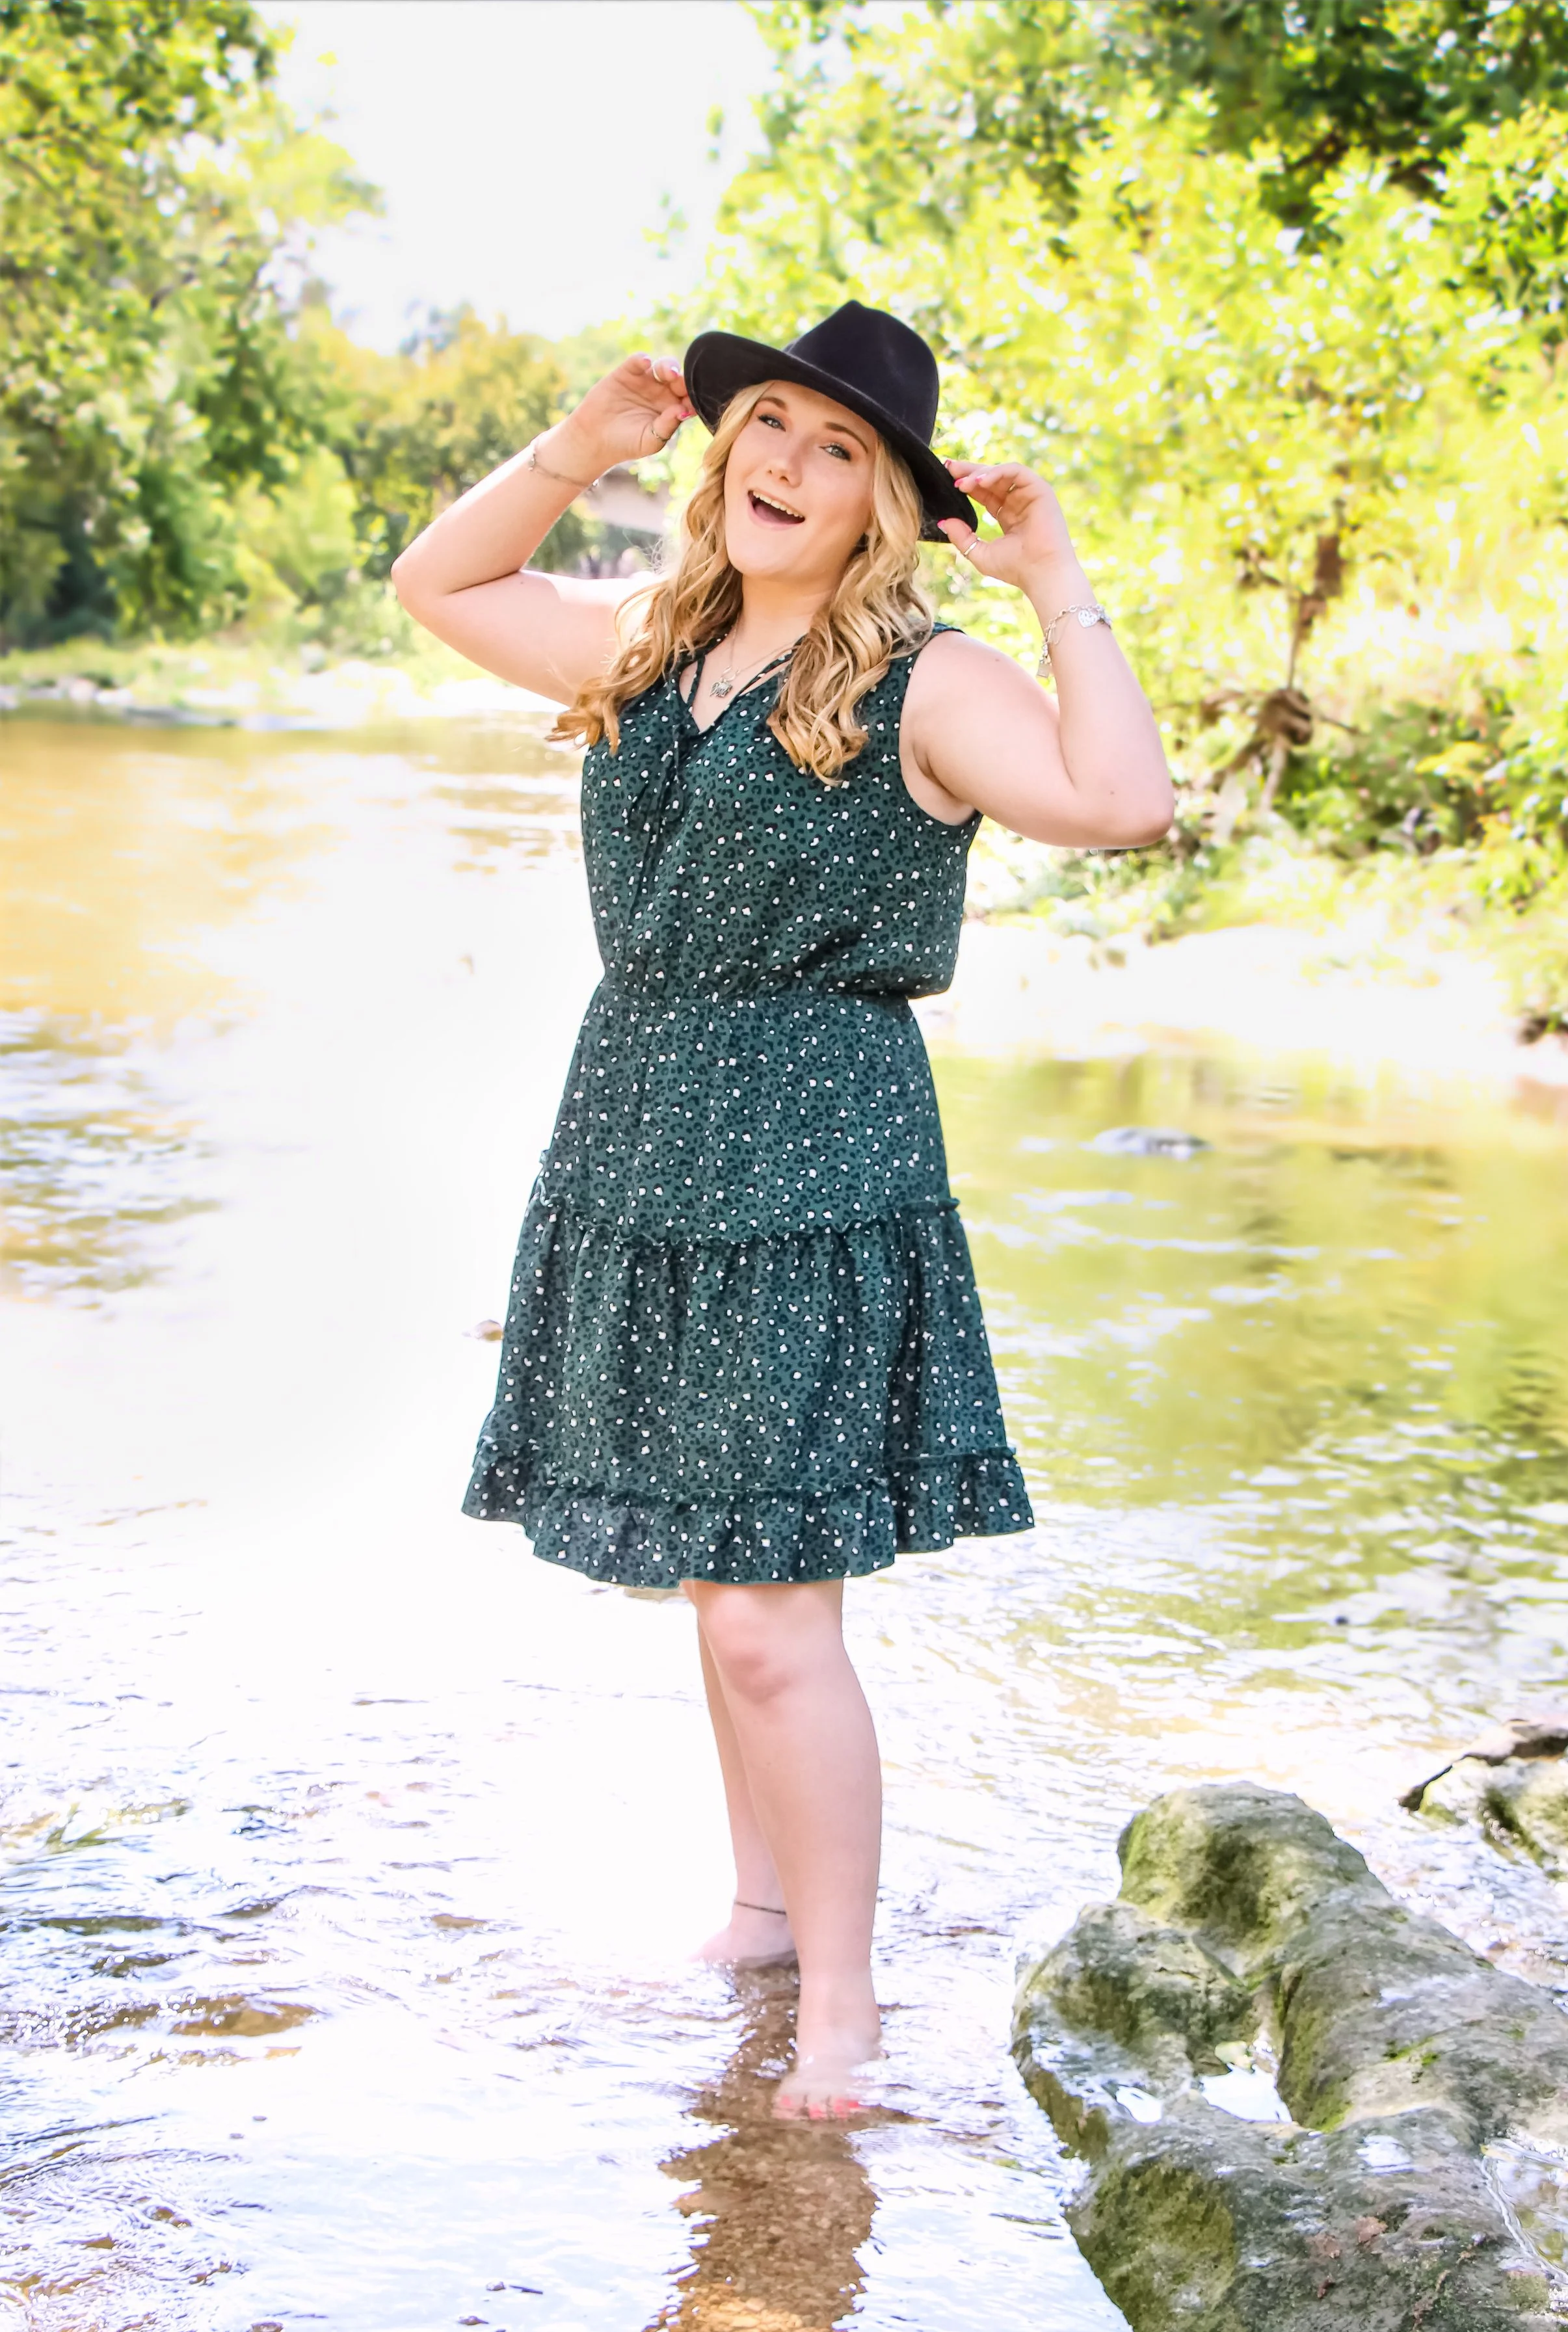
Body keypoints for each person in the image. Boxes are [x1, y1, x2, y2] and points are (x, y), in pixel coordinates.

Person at [392, 302, 1172, 2117]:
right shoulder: (649, 651)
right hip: (638, 1132)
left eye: (835, 448)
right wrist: (579, 445)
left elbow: (1121, 803)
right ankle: (756, 1908)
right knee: (711, 1572)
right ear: (720, 450)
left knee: (768, 1610)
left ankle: (842, 2002)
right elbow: (438, 582)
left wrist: (1059, 584)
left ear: (883, 502)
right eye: (763, 425)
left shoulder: (928, 676)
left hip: (812, 1150)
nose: (784, 463)